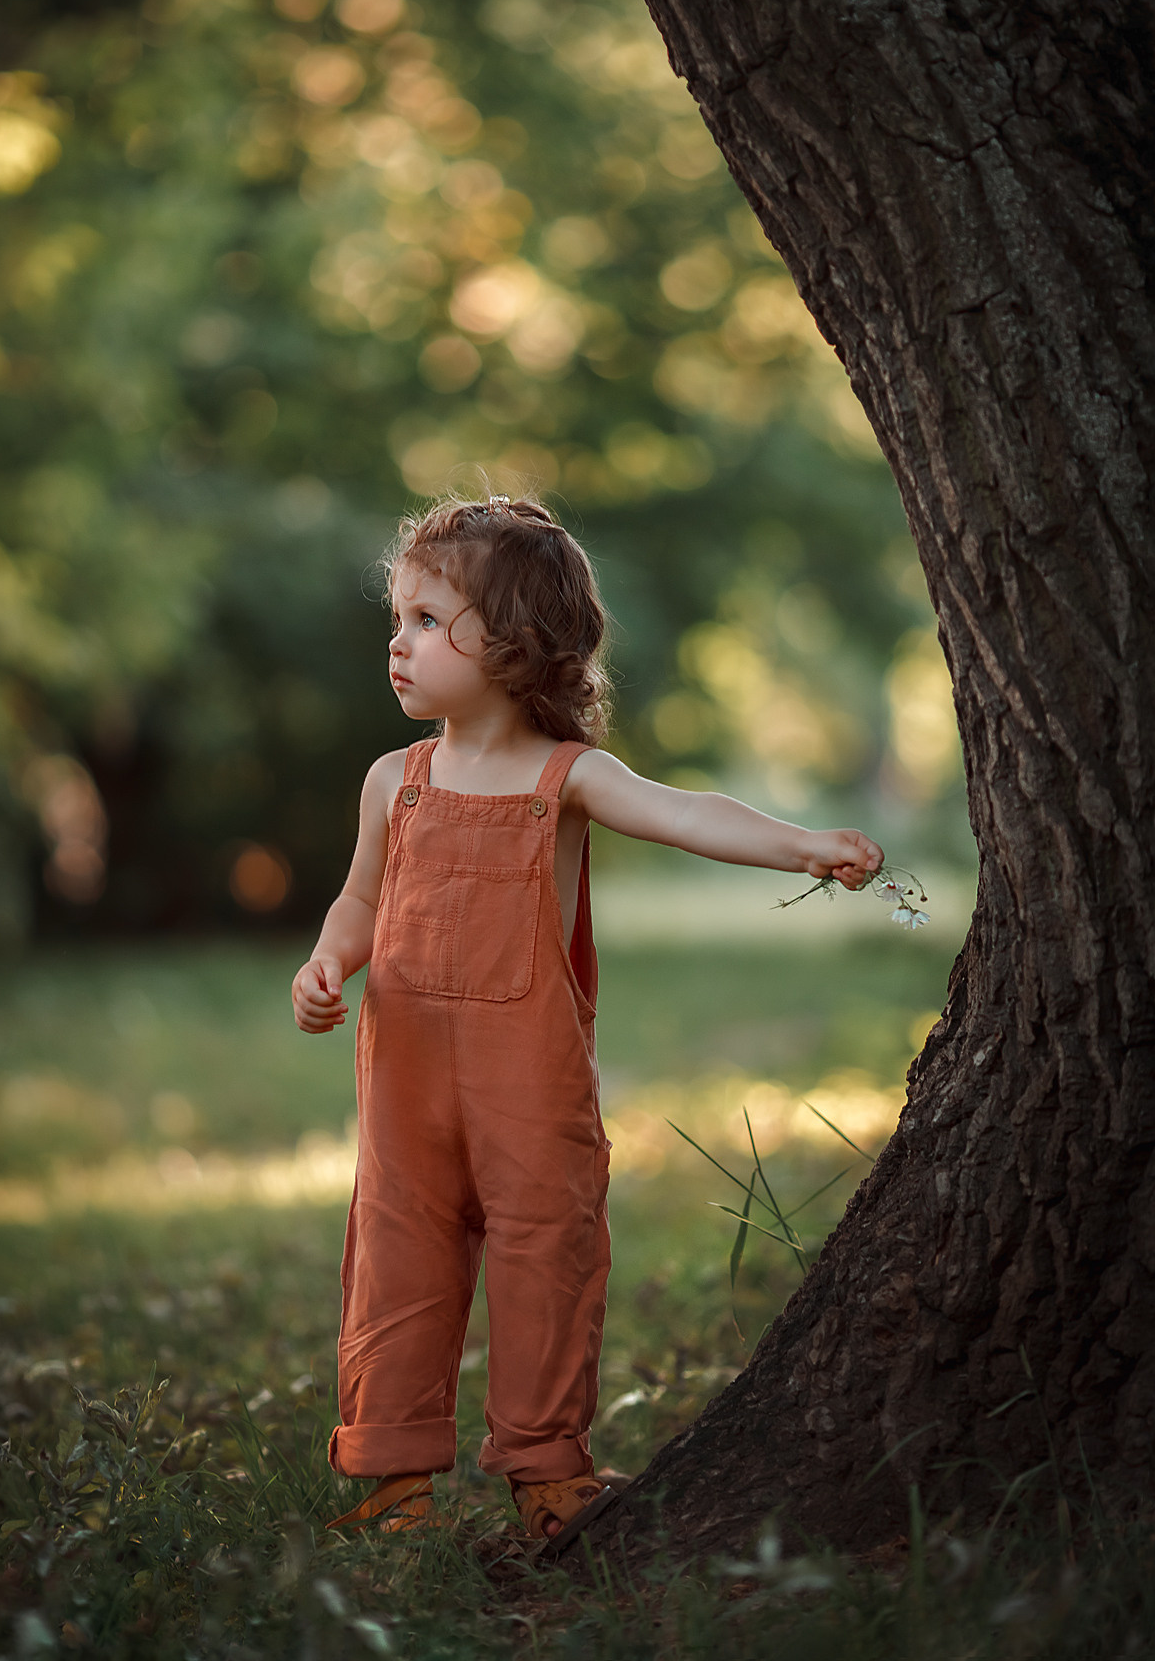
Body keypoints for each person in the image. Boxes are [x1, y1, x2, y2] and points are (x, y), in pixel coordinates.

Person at [292, 494, 883, 1544]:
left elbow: (686, 811)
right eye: (399, 617)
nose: (399, 641)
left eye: (429, 620)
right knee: (396, 1263)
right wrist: (329, 961)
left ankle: (544, 1470)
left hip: (530, 1095)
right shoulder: (395, 783)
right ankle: (391, 1474)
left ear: (515, 642)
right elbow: (361, 903)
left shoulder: (566, 779)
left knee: (545, 1259)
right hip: (407, 1097)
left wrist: (800, 844)